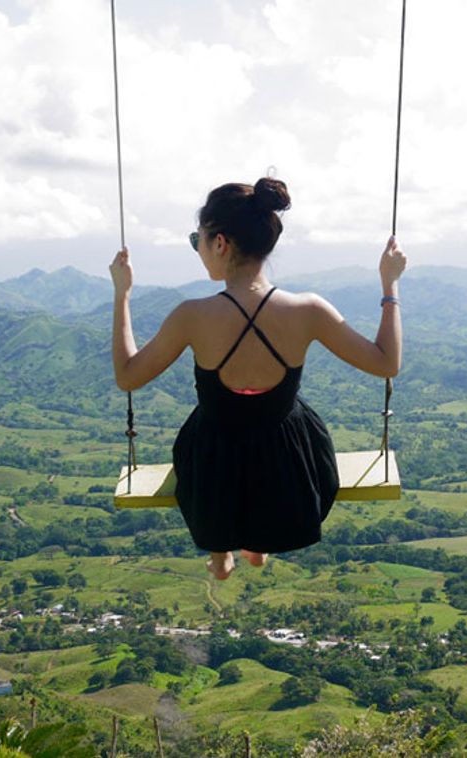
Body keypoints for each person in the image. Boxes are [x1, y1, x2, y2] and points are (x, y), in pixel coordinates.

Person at [110, 177, 405, 580]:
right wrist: (390, 285)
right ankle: (256, 543)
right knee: (265, 446)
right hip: (289, 462)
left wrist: (122, 295)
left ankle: (221, 553)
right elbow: (386, 363)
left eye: (197, 239)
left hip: (214, 464)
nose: (198, 249)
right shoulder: (308, 310)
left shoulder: (192, 316)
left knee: (213, 442)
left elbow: (128, 376)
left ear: (220, 243)